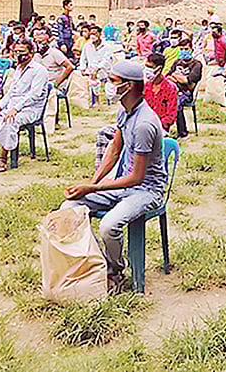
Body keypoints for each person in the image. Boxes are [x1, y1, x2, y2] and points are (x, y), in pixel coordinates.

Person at [66, 59, 169, 294]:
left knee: (108, 226)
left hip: (146, 190)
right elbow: (114, 150)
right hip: (124, 183)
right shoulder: (124, 110)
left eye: (113, 81)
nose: (108, 85)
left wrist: (91, 189)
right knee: (70, 207)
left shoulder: (145, 123)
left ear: (129, 86)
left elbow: (137, 178)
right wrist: (92, 183)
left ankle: (115, 271)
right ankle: (99, 262)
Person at [0, 38, 50, 172]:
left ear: (31, 52)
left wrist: (16, 109)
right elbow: (10, 92)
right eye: (16, 51)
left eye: (22, 51)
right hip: (12, 106)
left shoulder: (39, 70)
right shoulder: (18, 68)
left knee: (10, 120)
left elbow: (34, 95)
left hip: (31, 109)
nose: (19, 54)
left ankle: (4, 157)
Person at [166, 35, 203, 139]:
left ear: (191, 49)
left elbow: (188, 81)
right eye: (181, 49)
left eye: (186, 49)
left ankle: (182, 133)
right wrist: (179, 78)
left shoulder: (197, 64)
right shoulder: (177, 62)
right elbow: (168, 76)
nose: (183, 51)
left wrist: (176, 77)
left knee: (176, 104)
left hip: (186, 93)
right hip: (172, 89)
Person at [79, 25, 117, 103]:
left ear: (99, 34)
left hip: (103, 70)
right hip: (91, 69)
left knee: (96, 77)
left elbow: (106, 60)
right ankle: (91, 100)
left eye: (95, 33)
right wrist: (82, 69)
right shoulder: (87, 46)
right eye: (91, 34)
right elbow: (83, 58)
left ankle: (98, 100)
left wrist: (97, 69)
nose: (93, 36)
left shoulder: (107, 47)